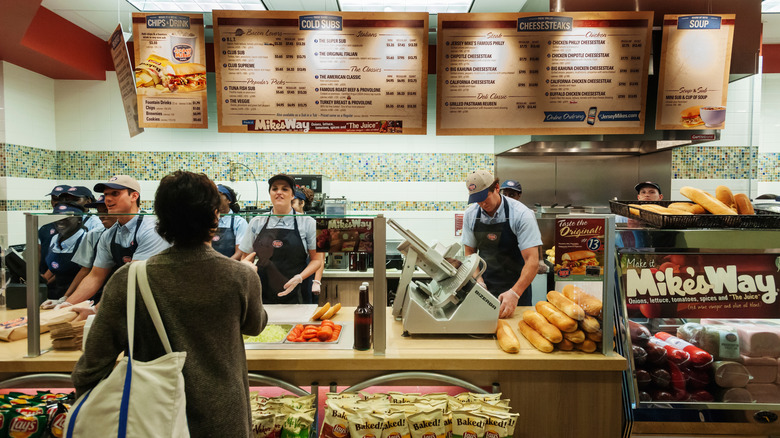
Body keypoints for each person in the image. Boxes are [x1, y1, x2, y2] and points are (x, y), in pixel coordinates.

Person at [72, 170, 266, 437]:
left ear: (160, 220)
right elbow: (255, 326)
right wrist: (252, 280)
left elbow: (91, 367)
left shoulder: (129, 278)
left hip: (149, 419)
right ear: (215, 217)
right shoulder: (241, 276)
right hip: (222, 418)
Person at [57, 175, 170, 308]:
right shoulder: (109, 234)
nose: (108, 199)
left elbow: (133, 278)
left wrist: (97, 309)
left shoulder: (151, 229)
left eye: (115, 193)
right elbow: (95, 276)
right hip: (128, 300)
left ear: (134, 196)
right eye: (106, 194)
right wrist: (66, 304)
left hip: (158, 303)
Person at [461, 170, 542, 319]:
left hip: (517, 290)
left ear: (497, 188)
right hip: (485, 288)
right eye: (477, 200)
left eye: (484, 197)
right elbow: (469, 252)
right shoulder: (471, 215)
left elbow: (533, 261)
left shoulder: (522, 214)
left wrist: (515, 293)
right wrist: (478, 281)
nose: (482, 204)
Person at [238, 174, 322, 305]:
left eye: (285, 189)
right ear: (270, 193)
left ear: (293, 195)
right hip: (261, 292)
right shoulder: (256, 222)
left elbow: (317, 259)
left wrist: (300, 278)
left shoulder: (308, 223)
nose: (279, 192)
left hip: (297, 291)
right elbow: (245, 258)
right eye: (274, 189)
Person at [41, 195, 117, 309]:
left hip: (115, 296)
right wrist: (65, 299)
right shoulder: (95, 235)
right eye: (99, 212)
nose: (102, 216)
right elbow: (86, 271)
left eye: (106, 210)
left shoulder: (140, 232)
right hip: (89, 296)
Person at [43, 203, 89, 300]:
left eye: (66, 217)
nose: (60, 221)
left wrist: (65, 298)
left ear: (79, 220)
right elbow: (55, 269)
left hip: (78, 296)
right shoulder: (55, 238)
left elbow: (84, 271)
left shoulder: (86, 239)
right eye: (57, 217)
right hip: (56, 294)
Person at [292, 189, 325, 304]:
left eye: (293, 203)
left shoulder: (312, 223)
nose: (290, 207)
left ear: (302, 203)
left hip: (308, 277)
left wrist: (316, 281)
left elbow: (320, 258)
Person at [212, 184, 248, 259]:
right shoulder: (208, 221)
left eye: (218, 195)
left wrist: (226, 266)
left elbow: (240, 252)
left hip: (231, 267)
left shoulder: (239, 222)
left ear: (229, 200)